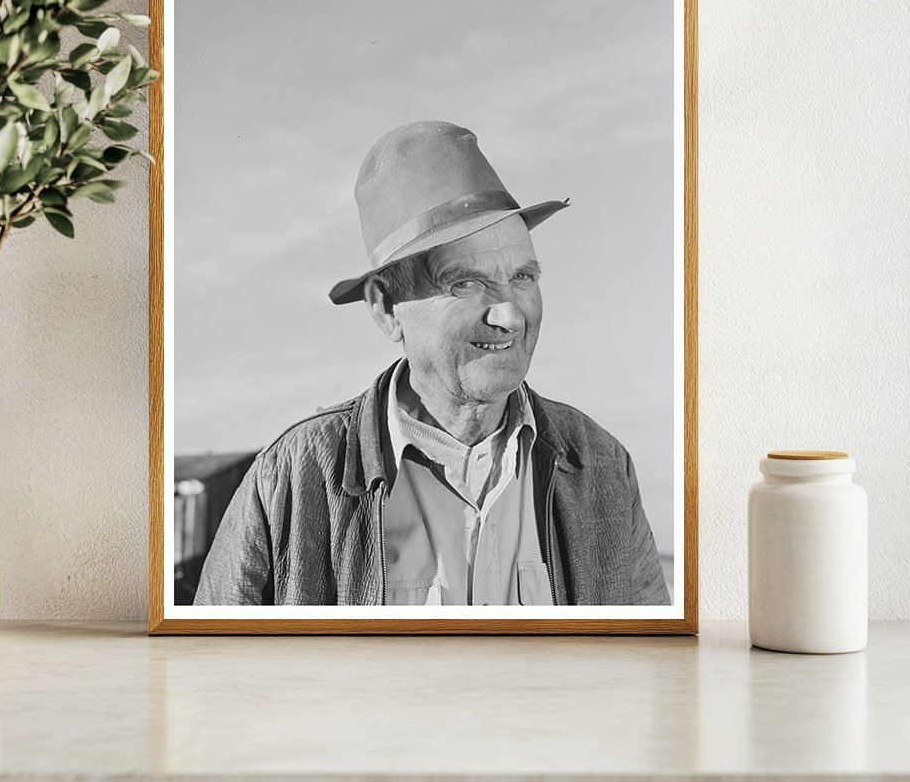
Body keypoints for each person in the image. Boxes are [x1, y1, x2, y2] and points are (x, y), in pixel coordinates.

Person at [194, 121, 669, 606]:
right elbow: (216, 669)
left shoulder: (600, 466)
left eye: (523, 277)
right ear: (385, 307)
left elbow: (645, 664)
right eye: (465, 284)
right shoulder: (293, 477)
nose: (508, 315)